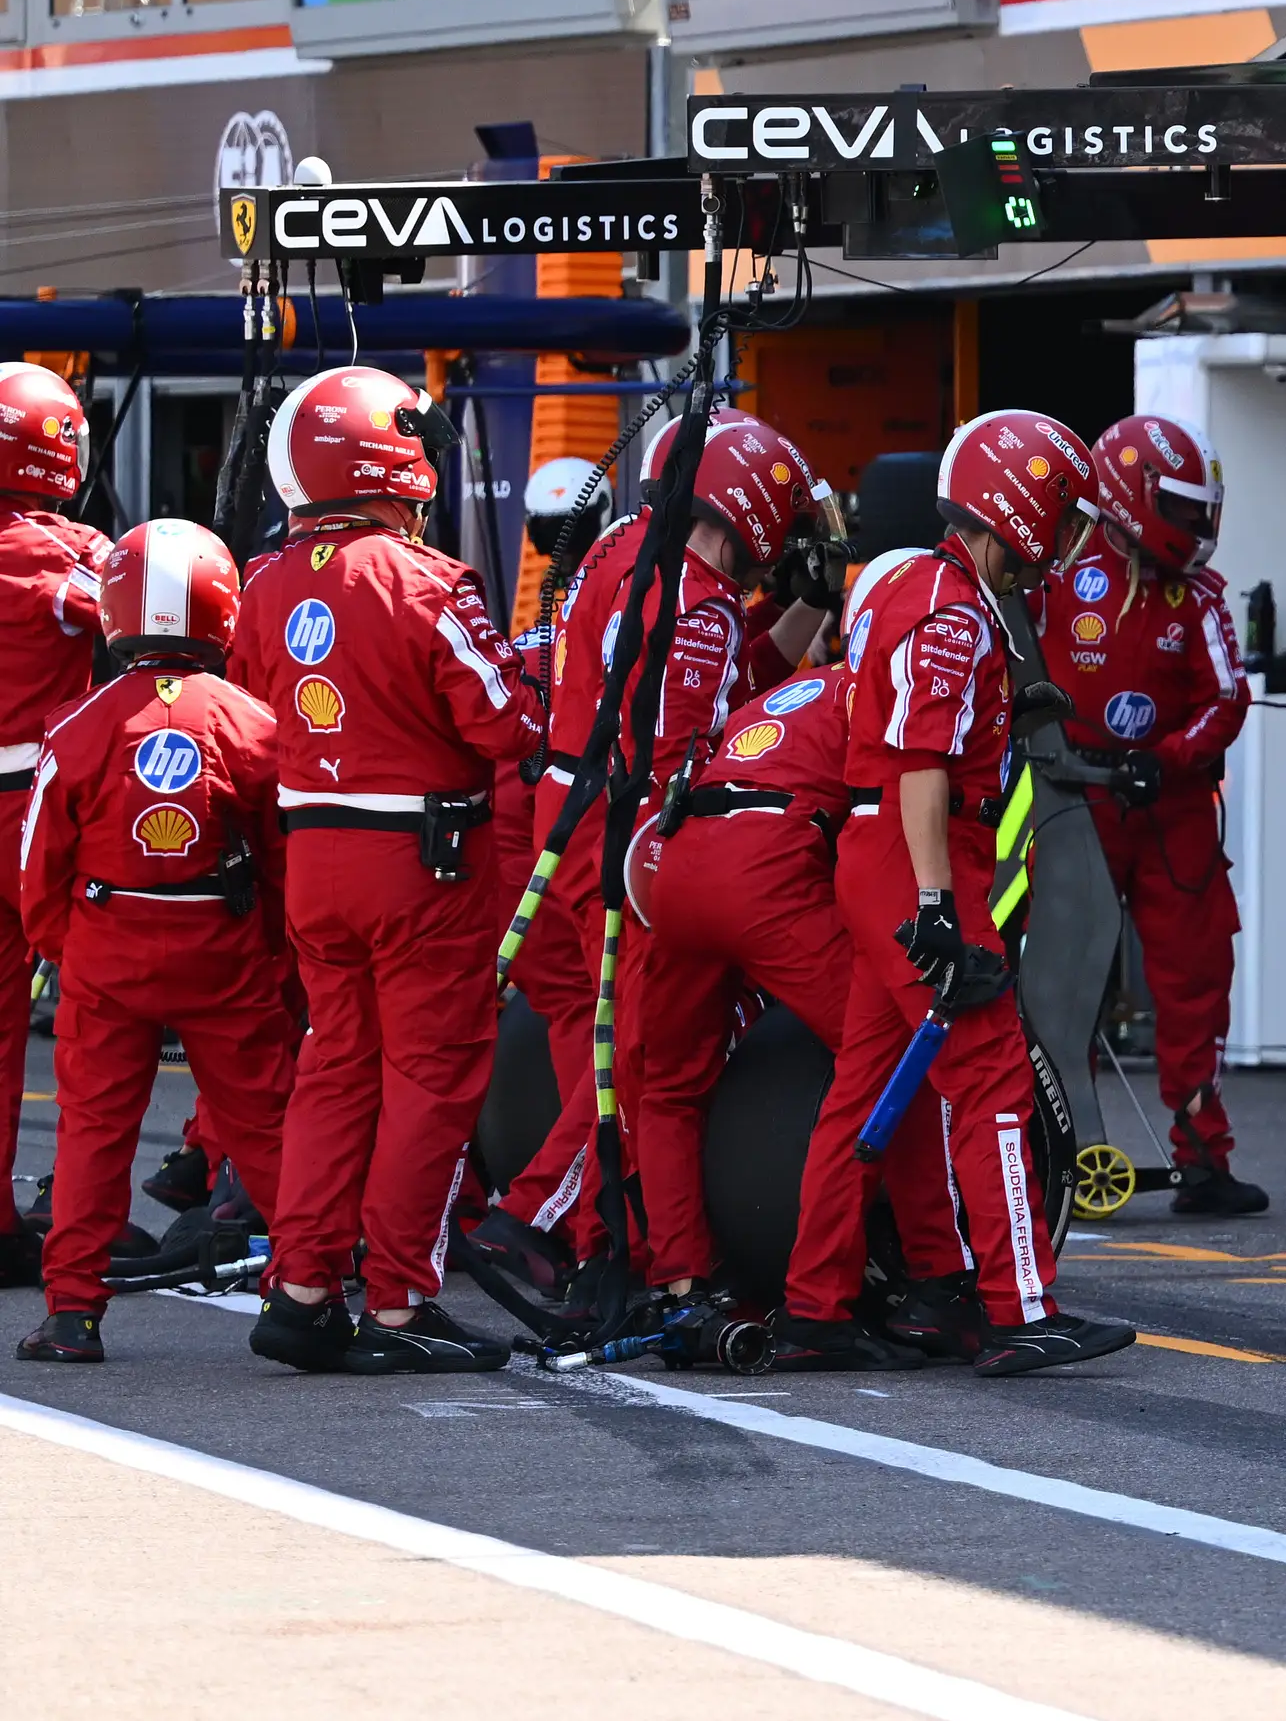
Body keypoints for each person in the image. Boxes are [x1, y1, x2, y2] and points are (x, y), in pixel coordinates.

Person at [776, 411, 1136, 1376]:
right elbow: (922, 762)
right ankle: (1020, 1308)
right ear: (1019, 507)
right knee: (992, 1085)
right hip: (917, 856)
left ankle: (815, 1305)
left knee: (859, 1097)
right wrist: (938, 905)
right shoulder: (952, 608)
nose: (1063, 543)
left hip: (879, 851)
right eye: (1060, 518)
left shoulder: (912, 584)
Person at [230, 366, 541, 1374]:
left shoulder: (264, 582)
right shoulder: (425, 580)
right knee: (431, 1075)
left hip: (314, 854)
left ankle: (304, 1284)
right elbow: (509, 720)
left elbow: (255, 706)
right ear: (386, 456)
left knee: (333, 1067)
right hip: (424, 862)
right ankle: (402, 1300)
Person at [468, 413, 820, 1298]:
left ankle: (603, 1244)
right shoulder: (693, 601)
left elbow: (730, 676)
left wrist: (805, 605)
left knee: (610, 1047)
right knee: (639, 1061)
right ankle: (547, 1225)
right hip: (622, 830)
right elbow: (684, 754)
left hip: (566, 804)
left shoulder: (628, 547)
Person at [624, 661, 976, 1348]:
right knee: (893, 1064)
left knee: (667, 1087)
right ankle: (935, 1275)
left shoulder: (789, 689)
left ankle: (684, 1285)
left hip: (682, 860)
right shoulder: (892, 686)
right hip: (766, 864)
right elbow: (885, 824)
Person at [12, 524, 291, 1363]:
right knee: (267, 1125)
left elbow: (39, 867)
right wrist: (271, 951)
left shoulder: (77, 727)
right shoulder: (253, 722)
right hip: (225, 949)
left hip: (107, 951)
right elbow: (282, 856)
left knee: (94, 1130)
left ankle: (72, 1314)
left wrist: (70, 947)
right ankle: (305, 1285)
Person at [1049, 414, 1262, 1214]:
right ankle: (1055, 1147)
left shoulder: (1200, 596)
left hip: (1171, 808)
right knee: (1064, 985)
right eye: (1180, 508)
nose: (1196, 527)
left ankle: (1204, 1158)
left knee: (1196, 979)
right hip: (1070, 803)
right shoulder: (1054, 569)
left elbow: (1228, 699)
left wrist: (1167, 759)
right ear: (1133, 494)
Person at [0, 363, 107, 1288]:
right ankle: (84, 1222)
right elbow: (167, 613)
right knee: (101, 1020)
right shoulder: (57, 552)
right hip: (43, 815)